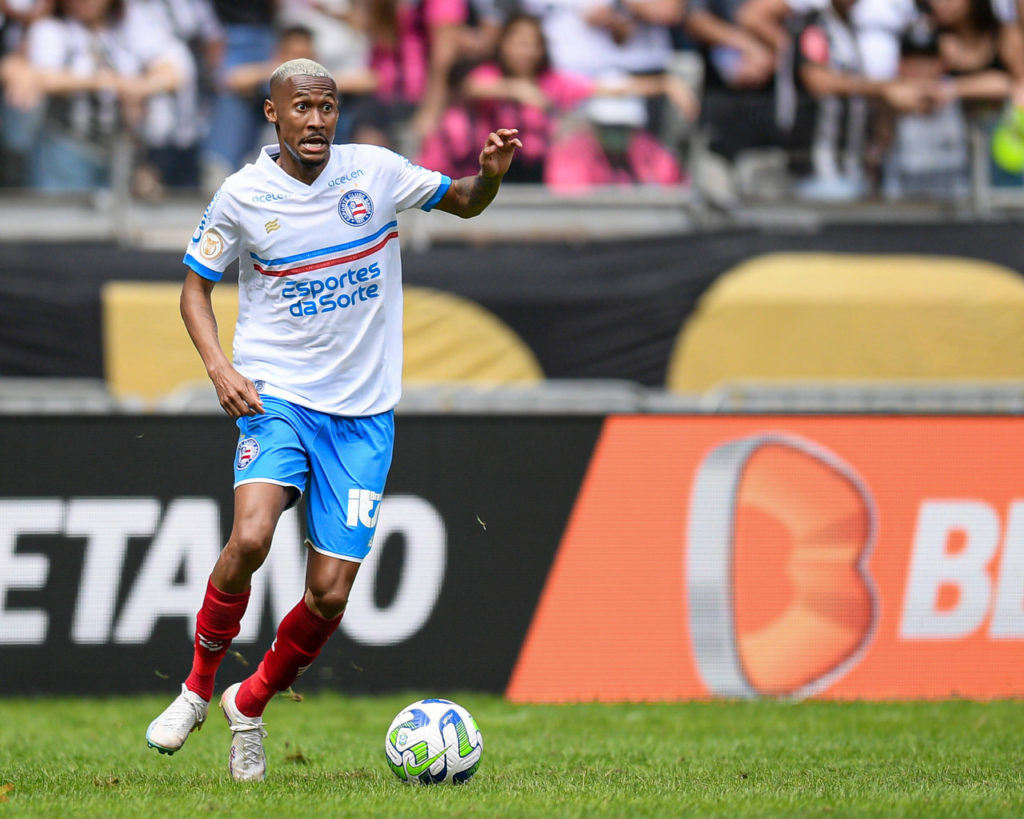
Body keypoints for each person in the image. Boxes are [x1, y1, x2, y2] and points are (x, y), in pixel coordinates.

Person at [144, 57, 519, 783]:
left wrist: (492, 173)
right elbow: (195, 288)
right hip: (276, 395)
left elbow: (466, 200)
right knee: (251, 534)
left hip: (364, 414)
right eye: (302, 107)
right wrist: (221, 368)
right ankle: (195, 688)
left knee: (330, 593)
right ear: (273, 115)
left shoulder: (373, 171)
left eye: (327, 107)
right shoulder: (243, 195)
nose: (316, 121)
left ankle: (247, 703)